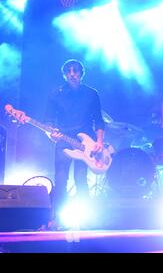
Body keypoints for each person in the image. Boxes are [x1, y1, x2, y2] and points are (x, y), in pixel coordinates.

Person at [44, 59, 105, 224]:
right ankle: (58, 220)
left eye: (76, 71)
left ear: (81, 73)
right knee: (61, 178)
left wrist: (99, 141)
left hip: (86, 142)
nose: (72, 74)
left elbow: (99, 121)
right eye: (69, 71)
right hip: (64, 139)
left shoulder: (92, 94)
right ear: (64, 74)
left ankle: (86, 221)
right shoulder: (55, 94)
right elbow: (48, 122)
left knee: (81, 179)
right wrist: (51, 134)